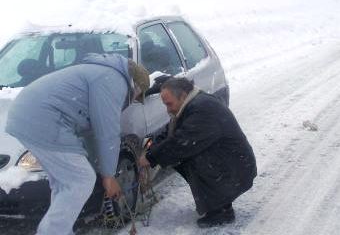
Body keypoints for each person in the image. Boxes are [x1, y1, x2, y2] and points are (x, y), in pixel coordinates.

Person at [6, 53, 149, 235]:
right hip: (44, 118)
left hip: (26, 115)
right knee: (81, 179)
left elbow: (91, 132)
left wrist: (101, 167)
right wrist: (109, 176)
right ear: (135, 85)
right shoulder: (113, 81)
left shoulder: (100, 72)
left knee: (65, 183)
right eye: (138, 96)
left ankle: (58, 231)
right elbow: (107, 132)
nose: (134, 100)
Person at [139, 77, 257, 228]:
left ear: (182, 96)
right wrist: (152, 148)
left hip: (237, 168)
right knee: (181, 154)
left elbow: (181, 142)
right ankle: (220, 202)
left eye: (169, 104)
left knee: (190, 154)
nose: (168, 109)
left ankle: (221, 211)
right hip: (230, 163)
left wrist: (151, 157)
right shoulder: (192, 103)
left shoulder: (203, 109)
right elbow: (171, 132)